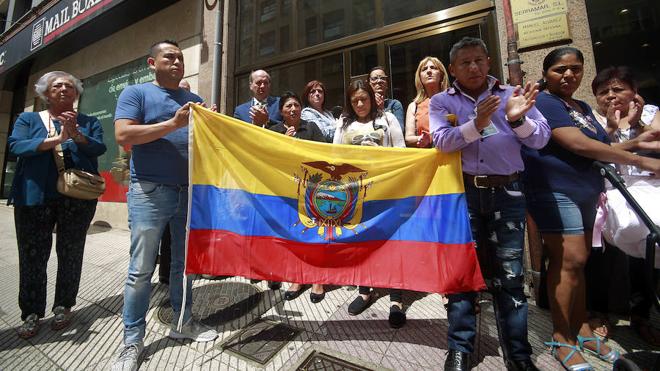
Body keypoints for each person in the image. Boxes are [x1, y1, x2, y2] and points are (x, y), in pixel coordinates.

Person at [522, 47, 660, 370]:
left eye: (575, 68)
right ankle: (561, 337)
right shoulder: (544, 103)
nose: (569, 74)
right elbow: (578, 144)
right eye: (560, 69)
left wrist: (637, 137)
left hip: (587, 192)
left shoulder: (582, 106)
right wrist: (638, 158)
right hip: (555, 190)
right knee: (568, 260)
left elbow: (605, 146)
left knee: (579, 263)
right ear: (546, 74)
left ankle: (582, 328)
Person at [429, 37, 550, 371]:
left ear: (489, 62)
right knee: (461, 272)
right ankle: (459, 348)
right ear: (452, 69)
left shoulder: (512, 95)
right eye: (465, 62)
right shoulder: (441, 102)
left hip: (508, 193)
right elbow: (441, 142)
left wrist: (516, 121)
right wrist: (476, 124)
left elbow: (541, 137)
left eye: (479, 60)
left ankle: (518, 353)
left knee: (510, 276)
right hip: (462, 194)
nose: (473, 67)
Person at [111, 40, 218, 371]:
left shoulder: (194, 101)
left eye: (180, 58)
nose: (177, 62)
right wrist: (173, 124)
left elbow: (209, 144)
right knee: (141, 270)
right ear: (151, 62)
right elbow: (124, 135)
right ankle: (132, 341)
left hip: (188, 193)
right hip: (149, 191)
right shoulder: (136, 94)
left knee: (183, 266)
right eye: (169, 57)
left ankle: (183, 321)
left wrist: (215, 124)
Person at [8, 71, 106, 339]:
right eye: (57, 86)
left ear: (76, 93)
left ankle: (64, 305)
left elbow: (99, 149)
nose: (64, 89)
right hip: (35, 197)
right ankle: (31, 313)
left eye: (69, 86)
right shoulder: (29, 119)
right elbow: (17, 146)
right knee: (32, 257)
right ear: (45, 93)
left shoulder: (89, 121)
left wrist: (77, 135)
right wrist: (58, 139)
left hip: (76, 199)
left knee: (71, 253)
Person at [589, 66, 660, 345]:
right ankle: (599, 312)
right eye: (603, 92)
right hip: (610, 191)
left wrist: (638, 123)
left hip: (650, 189)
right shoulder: (593, 120)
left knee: (649, 247)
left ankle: (641, 315)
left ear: (634, 91)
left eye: (618, 89)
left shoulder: (652, 114)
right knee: (601, 252)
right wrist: (612, 128)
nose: (610, 96)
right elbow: (595, 150)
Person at [333, 79, 406, 328]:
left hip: (387, 192)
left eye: (364, 98)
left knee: (391, 243)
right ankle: (365, 290)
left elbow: (401, 150)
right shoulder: (343, 124)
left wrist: (380, 156)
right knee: (362, 242)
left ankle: (396, 298)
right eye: (355, 101)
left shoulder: (388, 119)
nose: (360, 104)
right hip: (357, 194)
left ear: (372, 98)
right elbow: (334, 158)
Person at [268, 91, 328, 302]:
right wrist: (283, 142)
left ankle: (317, 280)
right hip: (285, 193)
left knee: (314, 234)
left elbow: (324, 154)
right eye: (288, 106)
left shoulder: (311, 128)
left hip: (311, 191)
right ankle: (297, 278)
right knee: (293, 236)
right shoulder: (273, 131)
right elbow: (269, 158)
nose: (293, 109)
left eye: (296, 105)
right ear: (281, 111)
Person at [405, 57, 449, 148]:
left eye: (433, 68)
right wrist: (421, 138)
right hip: (427, 158)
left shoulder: (453, 100)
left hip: (451, 156)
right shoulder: (414, 106)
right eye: (424, 69)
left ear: (441, 75)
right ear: (420, 78)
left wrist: (432, 137)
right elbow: (408, 138)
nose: (429, 71)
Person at [368, 66, 405, 132]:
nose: (379, 81)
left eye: (382, 78)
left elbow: (399, 131)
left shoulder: (395, 105)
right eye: (374, 78)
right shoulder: (365, 105)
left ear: (387, 84)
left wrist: (381, 111)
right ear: (369, 83)